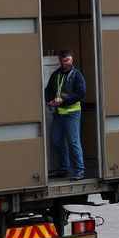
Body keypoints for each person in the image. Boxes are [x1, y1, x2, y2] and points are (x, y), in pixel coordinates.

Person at [45, 50, 86, 180]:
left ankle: (79, 171)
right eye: (64, 61)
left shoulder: (76, 75)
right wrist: (49, 100)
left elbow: (81, 93)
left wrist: (64, 100)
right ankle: (64, 168)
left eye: (68, 60)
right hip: (59, 114)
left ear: (72, 60)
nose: (67, 63)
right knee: (56, 140)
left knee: (73, 142)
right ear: (60, 61)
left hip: (72, 113)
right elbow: (48, 90)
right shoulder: (56, 74)